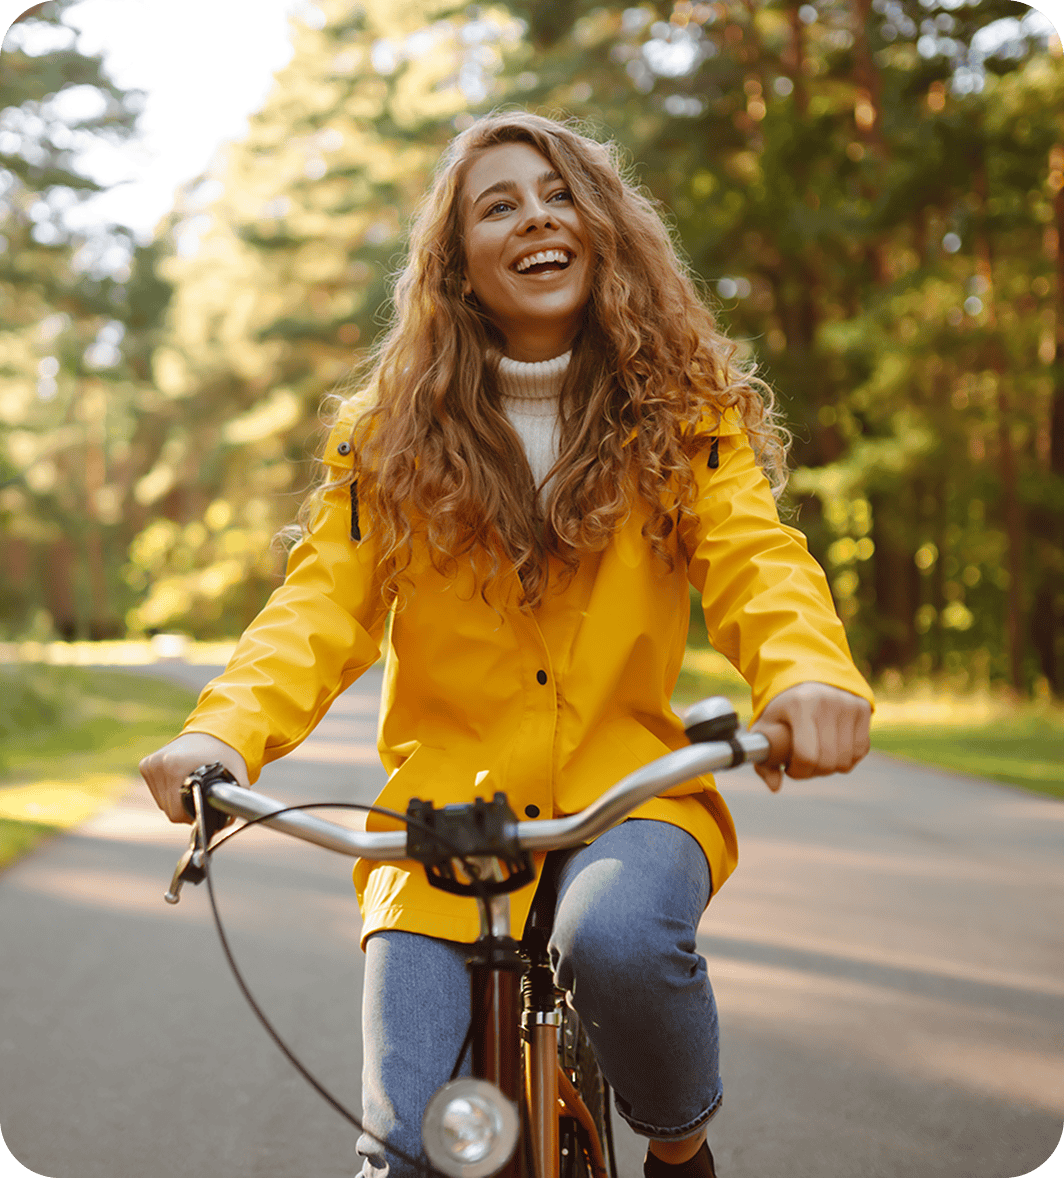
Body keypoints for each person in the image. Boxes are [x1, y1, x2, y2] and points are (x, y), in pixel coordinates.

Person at [141, 111, 873, 1178]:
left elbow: (757, 560)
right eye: (498, 204)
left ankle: (679, 1148)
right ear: (458, 267)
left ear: (600, 228)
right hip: (441, 823)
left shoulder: (685, 415)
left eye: (558, 193)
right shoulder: (387, 438)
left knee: (617, 939)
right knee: (399, 1151)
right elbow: (317, 609)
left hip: (629, 795)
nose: (535, 215)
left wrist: (808, 675)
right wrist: (223, 734)